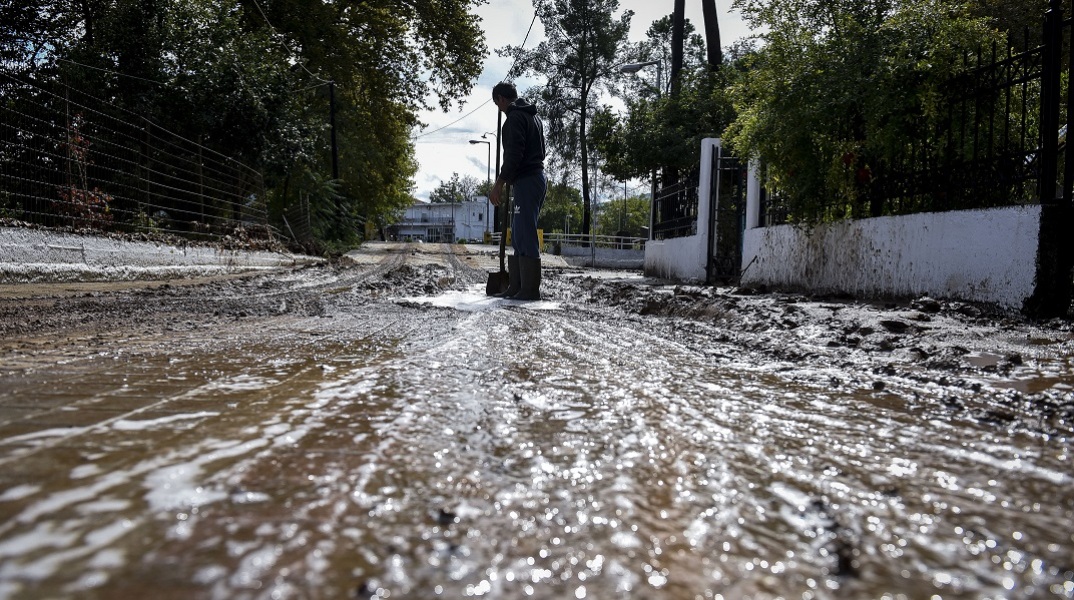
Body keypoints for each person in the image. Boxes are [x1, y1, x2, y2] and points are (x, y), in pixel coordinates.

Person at [490, 82, 547, 300]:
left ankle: (530, 290)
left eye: (497, 104)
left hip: (528, 179)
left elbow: (514, 155)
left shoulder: (514, 119)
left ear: (501, 99)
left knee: (526, 232)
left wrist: (500, 183)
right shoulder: (533, 116)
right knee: (520, 233)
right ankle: (517, 286)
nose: (499, 108)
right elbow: (541, 150)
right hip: (533, 178)